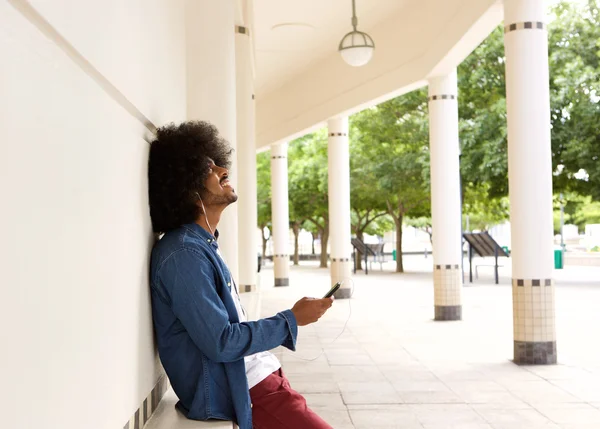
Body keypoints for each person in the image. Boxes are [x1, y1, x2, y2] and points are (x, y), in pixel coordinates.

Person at [148, 121, 334, 429]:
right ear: (187, 185)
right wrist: (292, 318)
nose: (223, 170)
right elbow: (221, 342)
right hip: (247, 391)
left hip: (260, 382)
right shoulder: (183, 255)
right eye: (209, 167)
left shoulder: (201, 245)